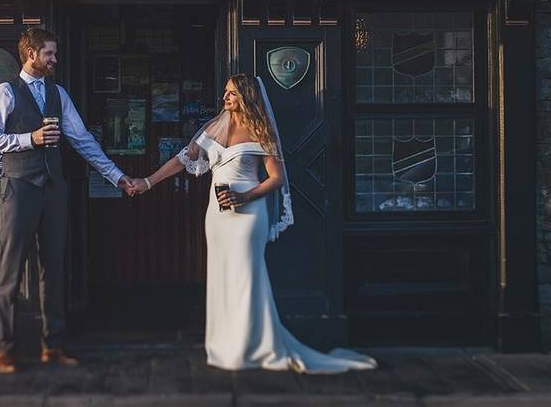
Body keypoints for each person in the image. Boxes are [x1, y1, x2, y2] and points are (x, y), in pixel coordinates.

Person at [125, 73, 377, 373]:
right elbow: (181, 159)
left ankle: (252, 345)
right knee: (222, 276)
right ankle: (225, 346)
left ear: (245, 96)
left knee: (247, 276)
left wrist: (246, 197)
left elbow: (277, 179)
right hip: (217, 215)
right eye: (225, 93)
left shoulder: (261, 129)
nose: (225, 99)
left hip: (249, 213)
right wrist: (148, 182)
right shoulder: (213, 127)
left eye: (231, 93)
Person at [0, 27, 136, 374]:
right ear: (31, 54)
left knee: (54, 268)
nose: (54, 59)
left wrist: (118, 176)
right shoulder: (5, 92)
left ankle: (54, 344)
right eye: (49, 53)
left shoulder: (58, 93)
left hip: (54, 189)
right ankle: (4, 349)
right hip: (19, 188)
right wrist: (29, 139)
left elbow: (83, 141)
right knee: (10, 271)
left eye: (55, 54)